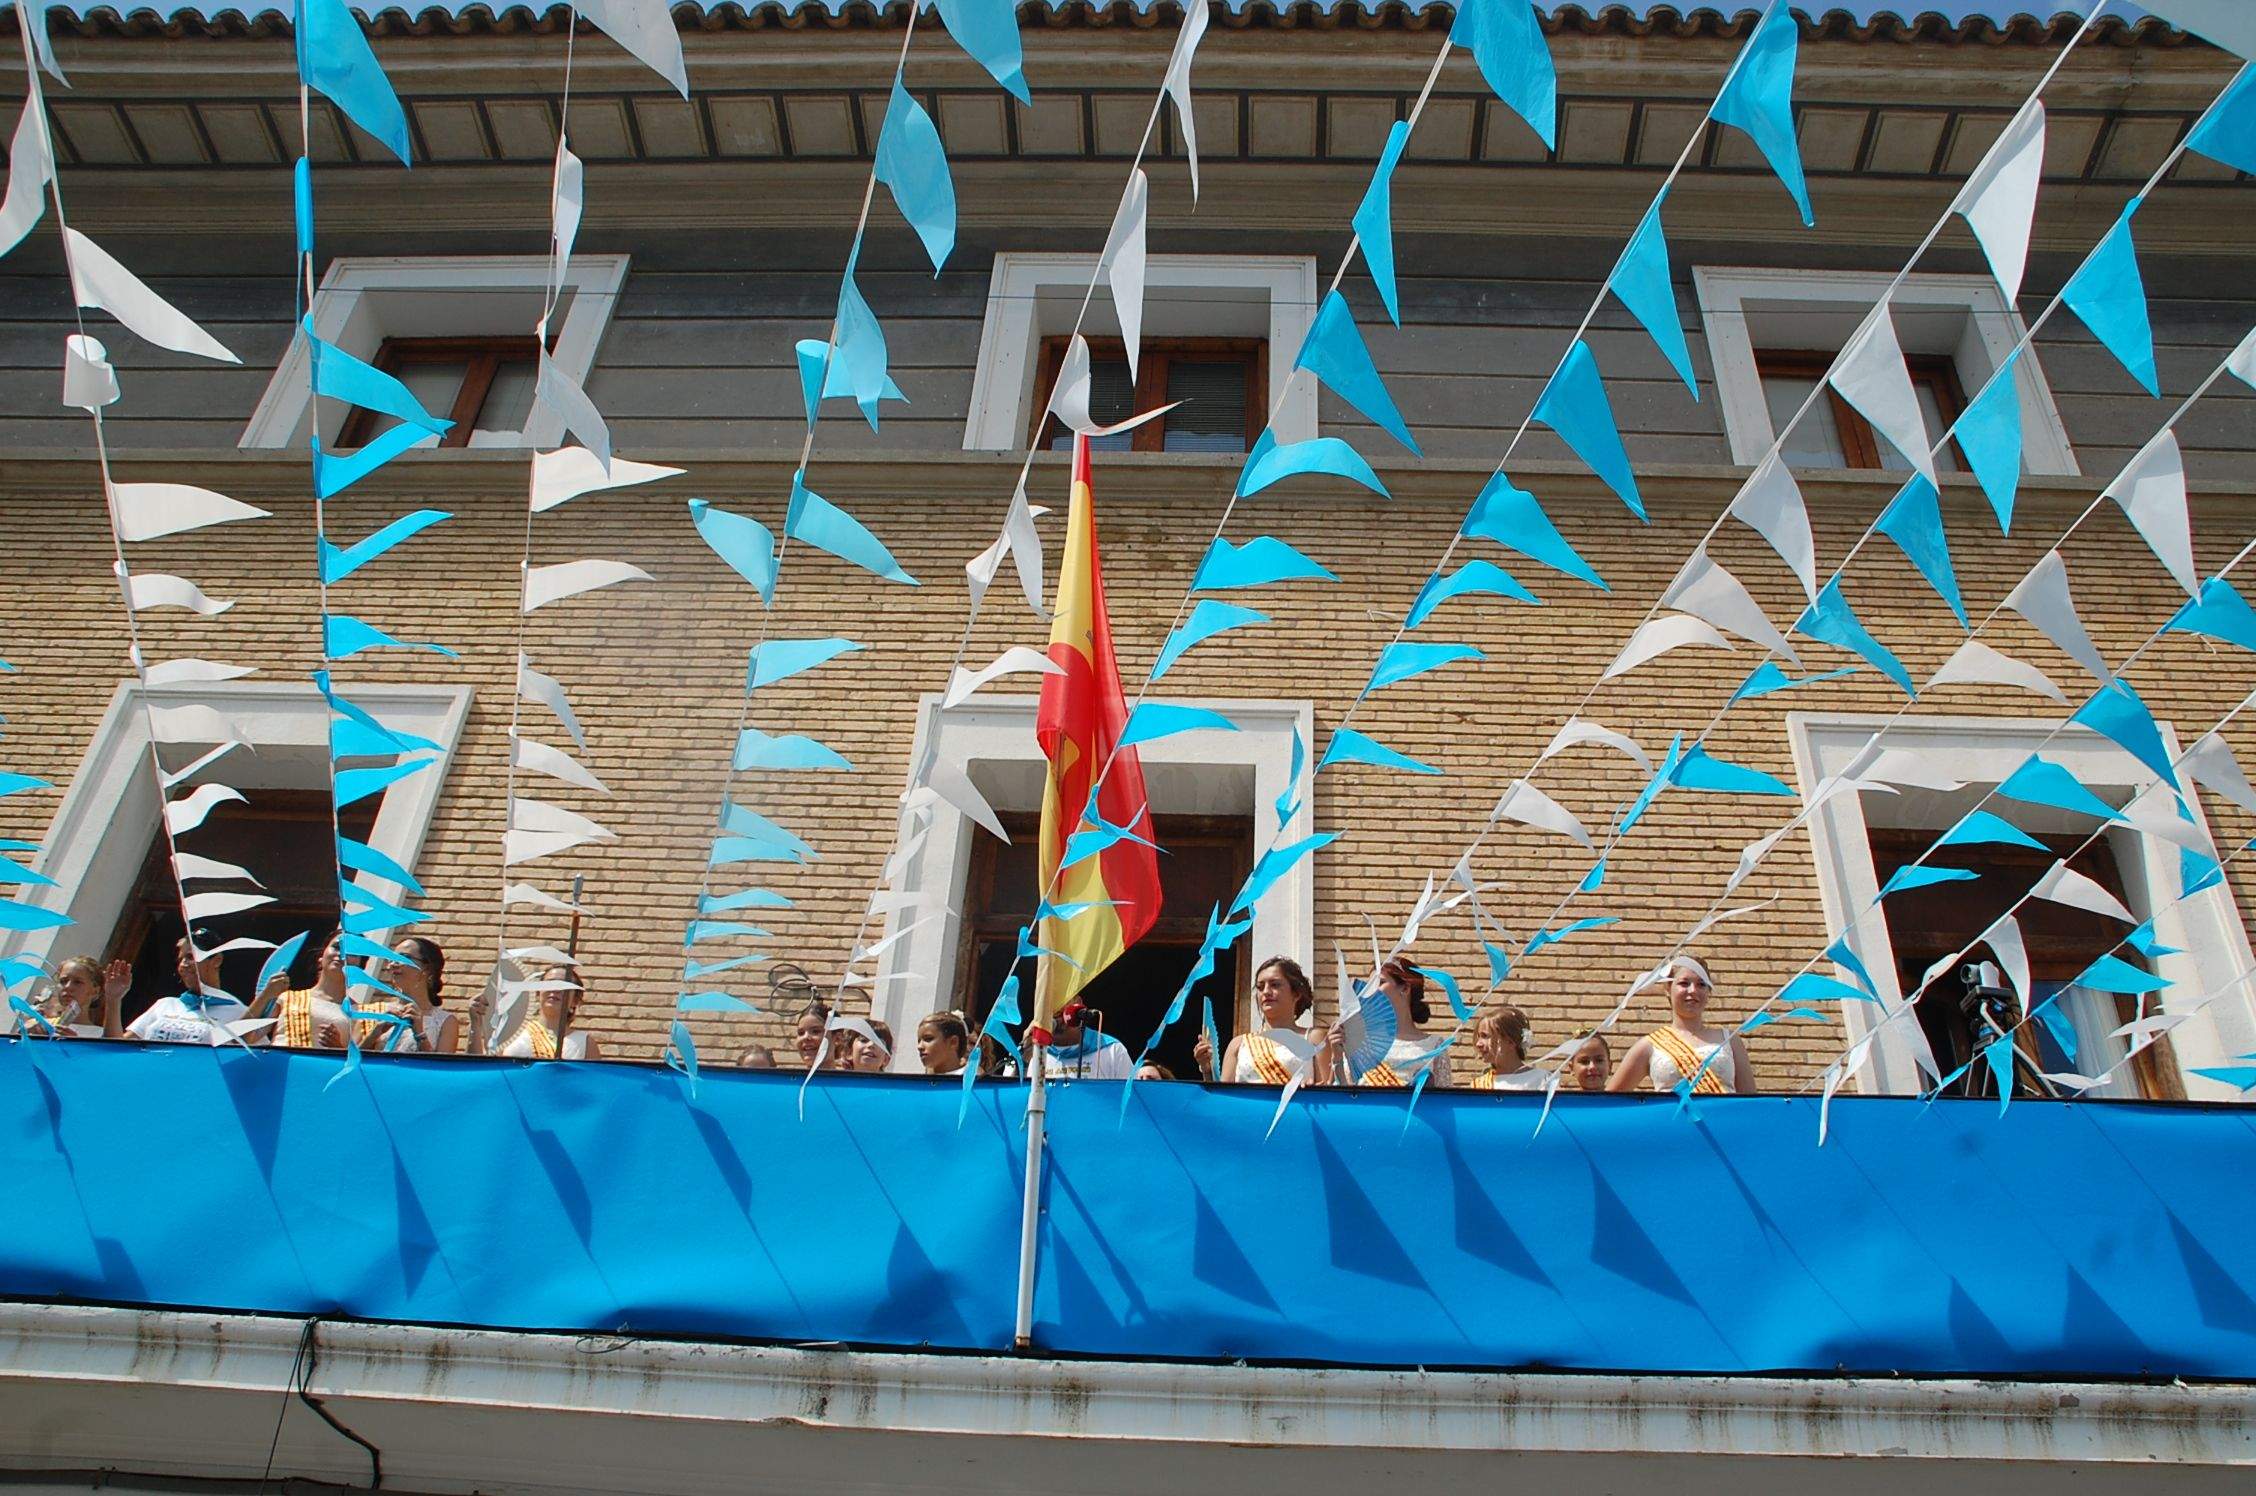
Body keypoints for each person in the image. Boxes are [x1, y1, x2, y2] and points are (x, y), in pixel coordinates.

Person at [1608, 954, 1755, 1095]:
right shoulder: (1649, 1045)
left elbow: (1751, 1103)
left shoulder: (1730, 1040)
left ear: (1708, 991)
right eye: (1684, 983)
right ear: (1668, 988)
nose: (1692, 991)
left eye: (1701, 984)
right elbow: (1608, 1101)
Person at [1326, 958, 1454, 1089]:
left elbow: (1445, 1100)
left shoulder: (1435, 1046)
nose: (1372, 990)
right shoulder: (1360, 1042)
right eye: (1370, 985)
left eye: (1380, 982)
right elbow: (1346, 1094)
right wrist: (1337, 1056)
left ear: (1404, 988)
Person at [1198, 955, 1324, 1085]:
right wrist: (1207, 1070)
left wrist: (1310, 1093)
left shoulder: (1313, 1039)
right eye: (1260, 987)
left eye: (1275, 985)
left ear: (1296, 993)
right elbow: (1222, 1099)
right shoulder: (1238, 1044)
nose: (1266, 992)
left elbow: (1330, 1095)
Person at [125, 933, 248, 1045]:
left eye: (190, 957)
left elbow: (256, 1058)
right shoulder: (165, 1004)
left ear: (217, 961)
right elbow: (119, 1046)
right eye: (180, 959)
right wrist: (113, 999)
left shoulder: (240, 1012)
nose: (183, 964)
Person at [362, 936, 458, 1054]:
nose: (393, 964)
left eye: (404, 957)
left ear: (427, 969)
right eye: (391, 958)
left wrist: (420, 1034)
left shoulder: (446, 1022)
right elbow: (350, 1061)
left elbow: (441, 1069)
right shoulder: (376, 1011)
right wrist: (374, 1034)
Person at [260, 933, 354, 1050]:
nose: (342, 954)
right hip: (281, 1066)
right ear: (321, 956)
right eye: (337, 947)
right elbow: (243, 1040)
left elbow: (364, 1063)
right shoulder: (289, 998)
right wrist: (265, 995)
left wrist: (338, 1050)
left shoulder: (360, 1014)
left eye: (352, 952)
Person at [500, 964, 600, 1060]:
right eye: (549, 983)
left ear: (575, 1001)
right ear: (538, 993)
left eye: (563, 985)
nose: (555, 989)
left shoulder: (585, 1043)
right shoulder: (511, 1034)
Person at [41, 955, 130, 1037]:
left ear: (95, 991)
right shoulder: (40, 1026)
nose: (68, 987)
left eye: (77, 982)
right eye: (63, 981)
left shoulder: (98, 1034)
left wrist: (113, 998)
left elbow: (113, 1049)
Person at [1045, 999, 1132, 1079]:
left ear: (1078, 1004)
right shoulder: (1040, 1056)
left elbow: (1132, 1094)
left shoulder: (1113, 1050)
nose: (1055, 1013)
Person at [1469, 1004, 1548, 1091]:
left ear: (1510, 1041)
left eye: (1485, 1036)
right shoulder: (1479, 1086)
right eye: (1478, 1037)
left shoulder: (1542, 1080)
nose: (1478, 1044)